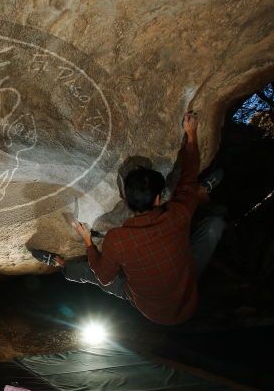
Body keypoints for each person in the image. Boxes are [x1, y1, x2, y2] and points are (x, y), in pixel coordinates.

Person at [31, 111, 226, 325]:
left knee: (87, 272)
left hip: (149, 306)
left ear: (126, 200)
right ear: (159, 198)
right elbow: (188, 176)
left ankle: (59, 263)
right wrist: (191, 134)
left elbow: (104, 277)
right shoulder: (178, 213)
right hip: (186, 293)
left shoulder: (118, 240)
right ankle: (201, 192)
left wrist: (87, 240)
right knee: (214, 224)